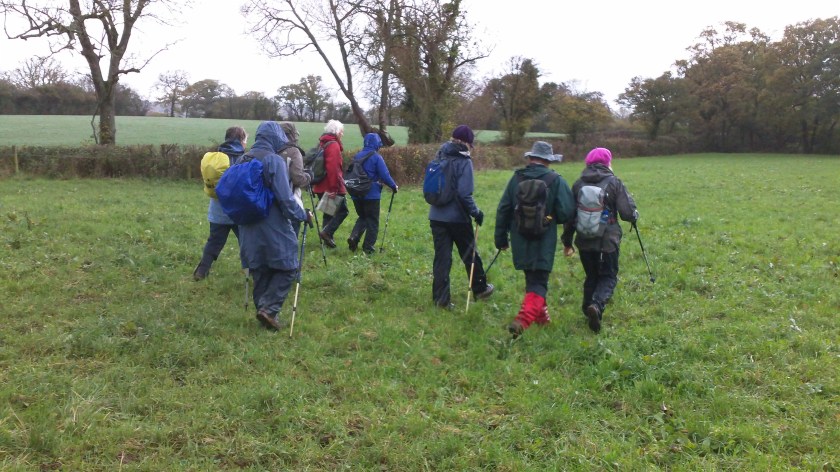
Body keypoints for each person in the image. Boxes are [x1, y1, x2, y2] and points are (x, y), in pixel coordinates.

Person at [494, 141, 575, 338]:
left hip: (520, 237)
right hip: (544, 239)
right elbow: (566, 213)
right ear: (548, 161)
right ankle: (523, 319)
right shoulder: (556, 180)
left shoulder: (516, 178)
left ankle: (542, 318)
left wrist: (501, 239)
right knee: (539, 280)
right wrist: (550, 217)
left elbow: (503, 209)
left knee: (532, 277)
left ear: (530, 158)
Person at [237, 121, 312, 331]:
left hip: (247, 222)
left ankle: (263, 309)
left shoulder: (243, 158)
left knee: (259, 267)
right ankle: (269, 310)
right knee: (288, 266)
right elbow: (285, 199)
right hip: (272, 222)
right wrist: (302, 215)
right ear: (275, 137)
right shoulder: (274, 160)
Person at [561, 147, 638, 333]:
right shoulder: (614, 182)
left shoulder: (578, 184)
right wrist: (634, 216)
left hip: (584, 240)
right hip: (608, 240)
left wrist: (567, 241)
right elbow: (627, 212)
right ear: (608, 163)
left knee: (592, 275)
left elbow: (570, 217)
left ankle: (587, 308)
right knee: (608, 276)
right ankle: (596, 305)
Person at [428, 125, 494, 309]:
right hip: (457, 218)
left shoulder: (439, 155)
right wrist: (476, 212)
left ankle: (441, 300)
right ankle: (480, 289)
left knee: (442, 258)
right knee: (470, 253)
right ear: (465, 142)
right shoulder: (464, 160)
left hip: (436, 216)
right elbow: (465, 194)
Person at [193, 126, 248, 281]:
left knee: (214, 241)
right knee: (246, 242)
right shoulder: (243, 157)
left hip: (217, 209)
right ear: (241, 139)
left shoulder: (216, 156)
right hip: (238, 211)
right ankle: (251, 273)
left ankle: (201, 271)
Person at [347, 132, 398, 254]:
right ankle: (368, 247)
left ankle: (354, 237)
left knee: (363, 217)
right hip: (371, 194)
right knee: (372, 221)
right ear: (377, 144)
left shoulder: (357, 156)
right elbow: (384, 175)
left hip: (356, 193)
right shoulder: (376, 157)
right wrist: (393, 186)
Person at [312, 119, 347, 248]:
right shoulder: (333, 145)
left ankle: (327, 239)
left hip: (320, 184)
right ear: (337, 132)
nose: (342, 134)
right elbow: (333, 168)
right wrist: (334, 188)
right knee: (343, 211)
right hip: (329, 185)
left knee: (329, 212)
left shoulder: (322, 143)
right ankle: (326, 233)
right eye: (341, 132)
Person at [278, 121, 312, 236]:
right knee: (290, 241)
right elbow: (298, 179)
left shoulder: (271, 149)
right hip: (290, 201)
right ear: (292, 134)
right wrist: (309, 176)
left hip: (270, 204)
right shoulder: (293, 151)